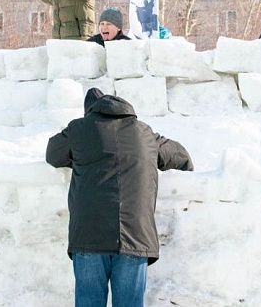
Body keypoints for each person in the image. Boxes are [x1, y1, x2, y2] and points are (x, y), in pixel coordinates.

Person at [45, 88, 194, 307]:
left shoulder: (79, 129)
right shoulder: (145, 133)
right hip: (135, 236)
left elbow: (53, 153)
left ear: (90, 111)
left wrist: (82, 157)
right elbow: (180, 155)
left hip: (89, 237)